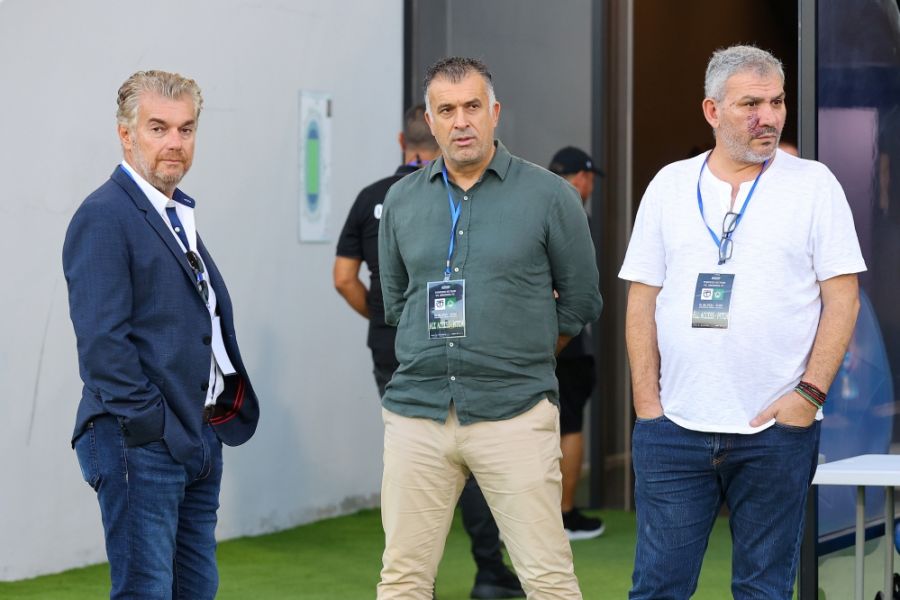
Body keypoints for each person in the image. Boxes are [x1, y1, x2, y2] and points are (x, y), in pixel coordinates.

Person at [619, 45, 865, 599]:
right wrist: (647, 405)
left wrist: (808, 396)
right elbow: (641, 301)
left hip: (776, 430)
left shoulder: (814, 185)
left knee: (763, 590)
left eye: (777, 101)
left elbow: (843, 300)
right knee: (658, 587)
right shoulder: (669, 185)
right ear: (712, 110)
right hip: (674, 427)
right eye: (750, 104)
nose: (768, 117)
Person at [377, 56, 603, 599]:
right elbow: (398, 301)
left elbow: (580, 300)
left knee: (547, 578)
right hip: (418, 413)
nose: (461, 122)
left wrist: (522, 349)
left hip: (514, 411)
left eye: (472, 107)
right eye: (447, 110)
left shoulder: (551, 196)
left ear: (495, 113)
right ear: (429, 121)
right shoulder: (402, 200)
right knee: (403, 578)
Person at [62, 70, 260, 600]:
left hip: (198, 434)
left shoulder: (173, 213)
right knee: (145, 591)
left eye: (186, 129)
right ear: (126, 134)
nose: (175, 142)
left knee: (196, 589)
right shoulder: (104, 216)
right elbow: (103, 346)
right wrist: (157, 426)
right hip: (141, 441)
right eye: (158, 128)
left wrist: (199, 428)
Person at [334, 104, 524, 599]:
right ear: (439, 134)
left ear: (402, 140)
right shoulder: (463, 193)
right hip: (466, 348)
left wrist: (386, 319)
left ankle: (418, 581)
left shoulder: (373, 197)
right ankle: (490, 571)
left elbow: (343, 278)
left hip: (394, 350)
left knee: (411, 465)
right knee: (475, 459)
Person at [547, 147, 605, 541]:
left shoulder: (532, 204)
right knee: (568, 427)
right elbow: (579, 291)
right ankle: (564, 514)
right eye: (591, 179)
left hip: (530, 341)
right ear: (582, 177)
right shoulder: (572, 214)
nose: (591, 186)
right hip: (566, 345)